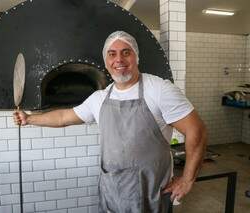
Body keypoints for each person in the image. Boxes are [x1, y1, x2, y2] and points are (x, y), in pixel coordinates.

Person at [13, 31, 207, 213]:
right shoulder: (100, 98)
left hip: (150, 195)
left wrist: (188, 180)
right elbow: (64, 117)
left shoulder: (159, 90)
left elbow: (196, 131)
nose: (119, 60)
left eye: (126, 53)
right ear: (106, 61)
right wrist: (30, 118)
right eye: (112, 54)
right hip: (112, 192)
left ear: (136, 56)